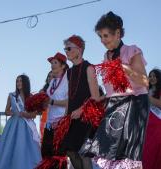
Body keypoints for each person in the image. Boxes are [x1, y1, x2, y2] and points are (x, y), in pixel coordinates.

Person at [80, 11, 149, 169]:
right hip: (114, 105)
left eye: (106, 36)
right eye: (100, 37)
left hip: (134, 104)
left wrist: (125, 68)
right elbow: (104, 95)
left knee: (126, 153)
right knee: (107, 149)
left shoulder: (132, 50)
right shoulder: (106, 56)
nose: (103, 40)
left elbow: (145, 81)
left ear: (117, 33)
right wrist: (91, 75)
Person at [61, 35, 101, 169]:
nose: (66, 51)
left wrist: (81, 110)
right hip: (72, 118)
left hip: (87, 117)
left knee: (84, 154)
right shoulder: (69, 72)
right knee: (70, 152)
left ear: (79, 49)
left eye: (68, 48)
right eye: (65, 49)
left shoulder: (89, 68)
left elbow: (95, 97)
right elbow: (70, 96)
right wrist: (65, 117)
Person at [0, 74, 41, 169]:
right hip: (13, 125)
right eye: (17, 81)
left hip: (27, 126)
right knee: (10, 147)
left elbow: (34, 114)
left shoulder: (31, 96)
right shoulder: (11, 95)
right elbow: (6, 111)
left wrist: (25, 114)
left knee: (25, 148)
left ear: (25, 83)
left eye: (21, 81)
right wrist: (11, 112)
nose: (18, 83)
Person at [40, 53, 69, 160]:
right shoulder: (52, 81)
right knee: (45, 154)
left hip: (60, 123)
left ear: (63, 66)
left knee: (58, 157)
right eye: (51, 63)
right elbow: (46, 100)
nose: (52, 65)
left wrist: (51, 102)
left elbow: (69, 102)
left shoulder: (67, 81)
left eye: (55, 63)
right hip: (49, 123)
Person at [142, 69, 161, 169]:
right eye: (150, 76)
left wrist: (147, 97)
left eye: (155, 76)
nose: (152, 78)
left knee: (152, 150)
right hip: (145, 123)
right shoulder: (146, 89)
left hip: (157, 124)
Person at [39, 71, 53, 142]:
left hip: (56, 118)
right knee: (43, 140)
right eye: (49, 76)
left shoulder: (60, 89)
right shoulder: (42, 91)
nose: (50, 78)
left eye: (52, 76)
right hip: (44, 117)